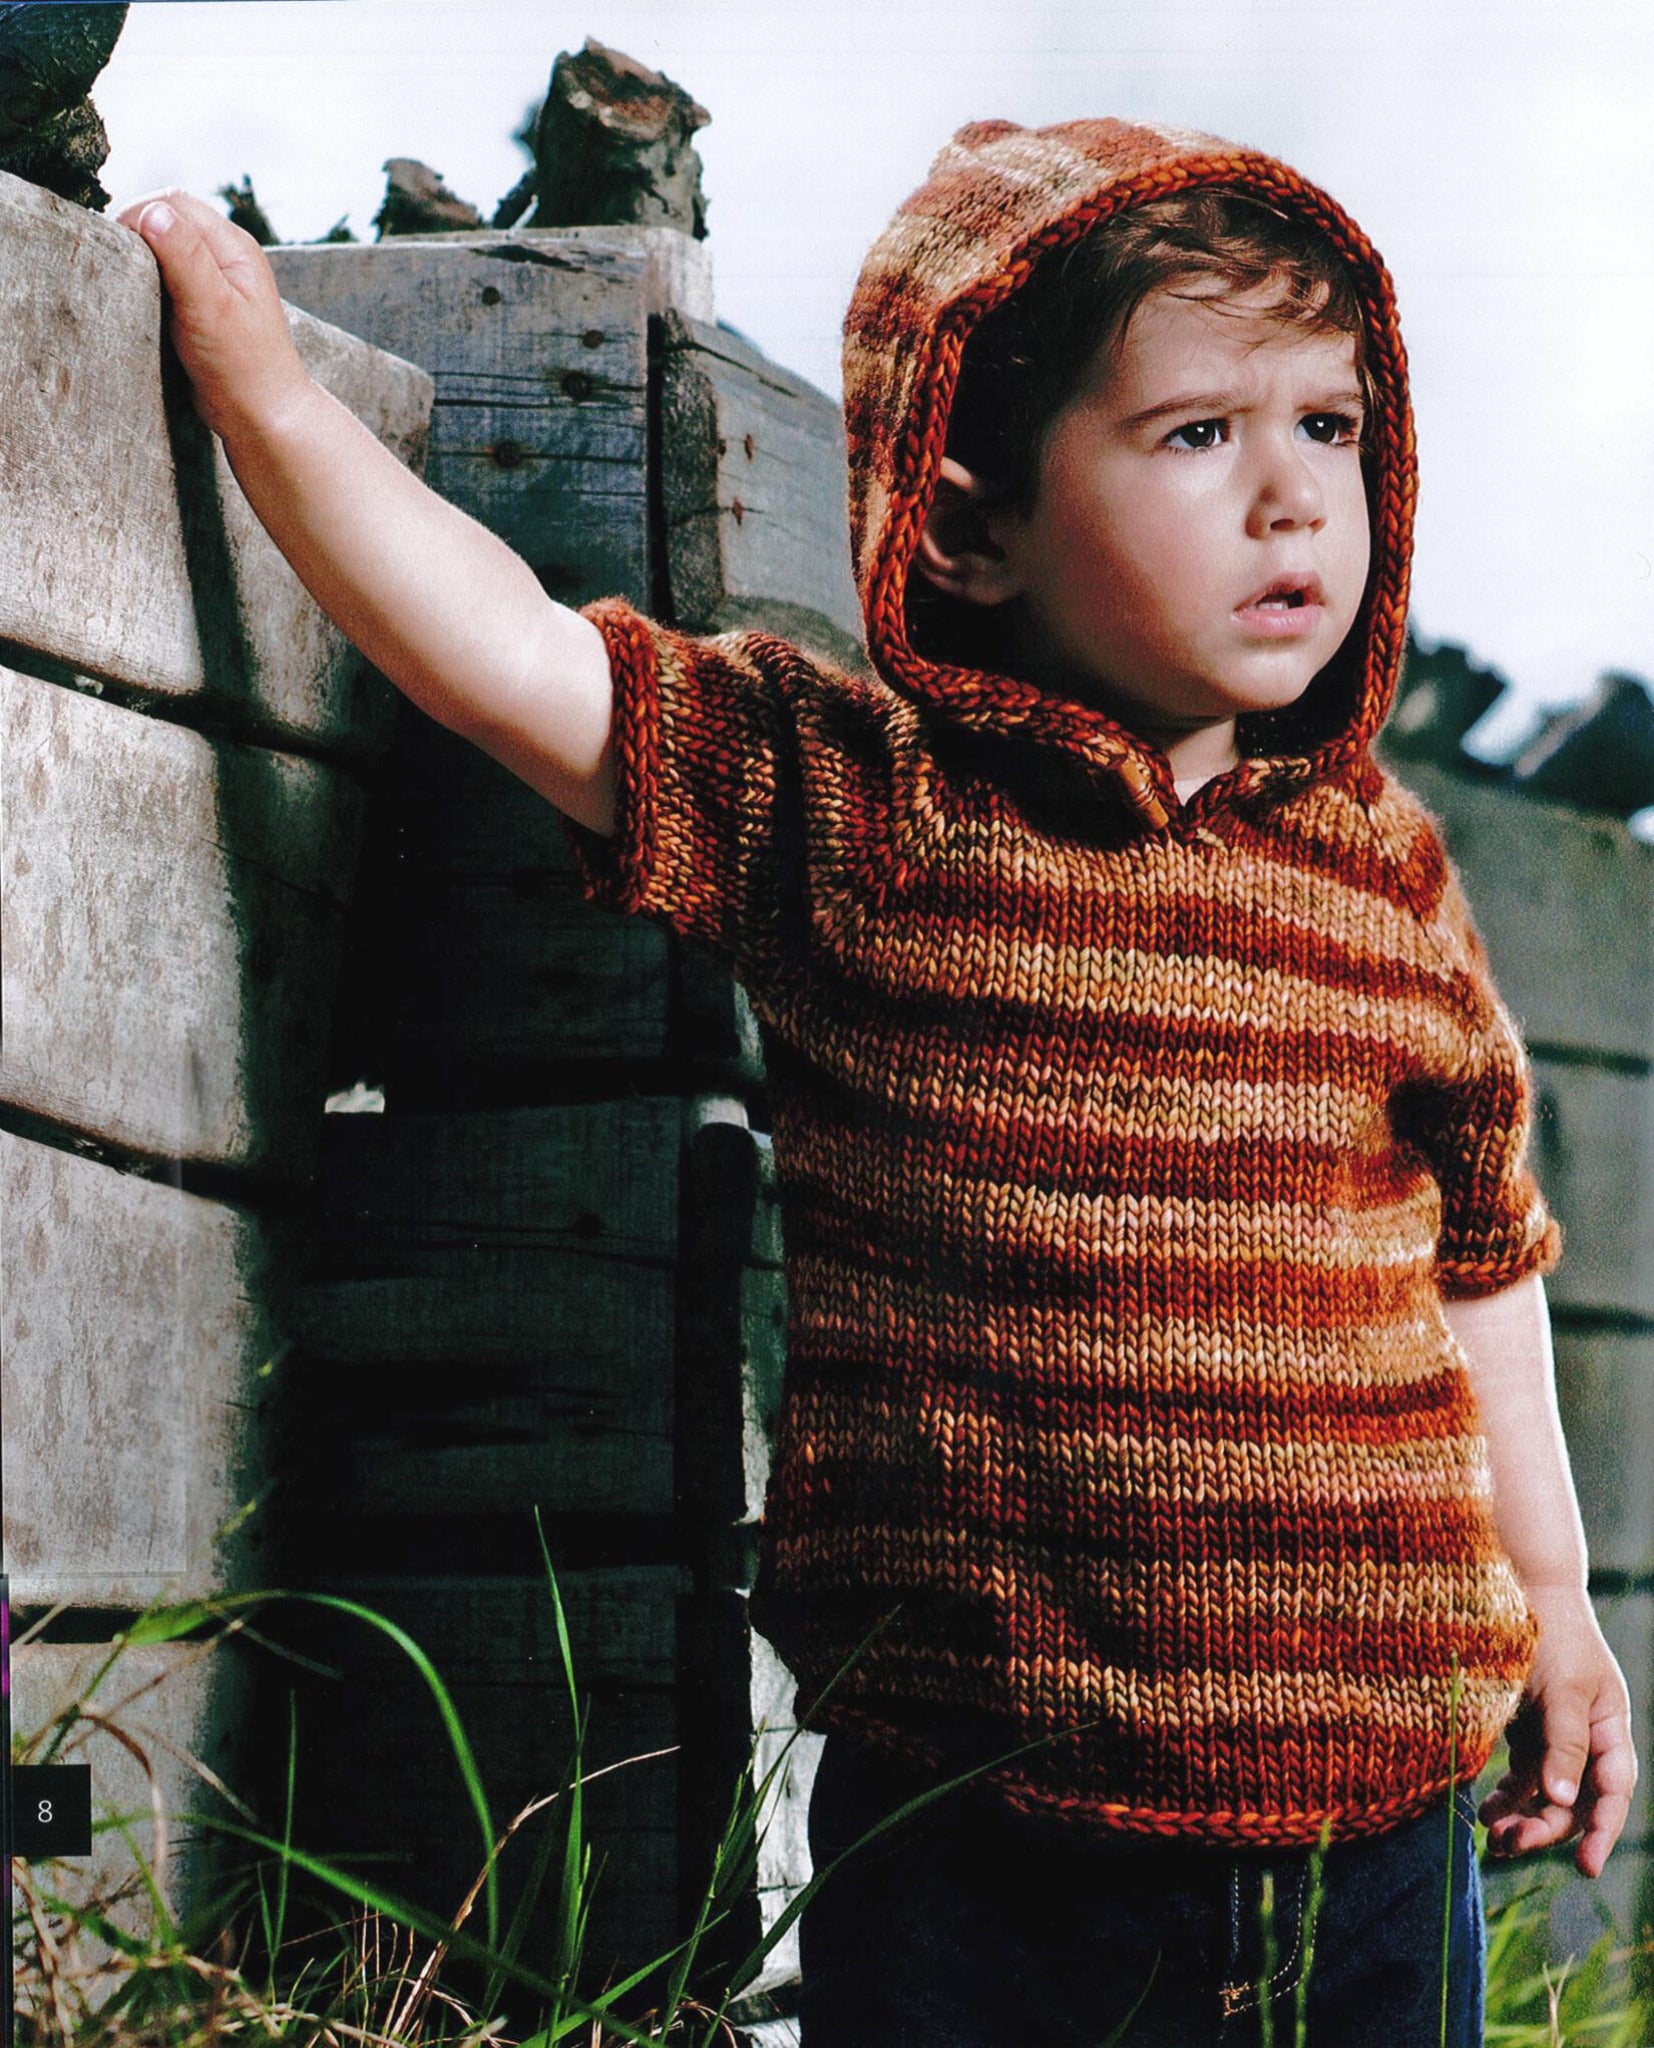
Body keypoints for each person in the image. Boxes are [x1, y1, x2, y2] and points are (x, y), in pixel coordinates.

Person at [115, 115, 1637, 2045]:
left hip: (1376, 1836)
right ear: (964, 518)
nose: (1290, 505)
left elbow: (1480, 1255)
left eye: (1329, 428)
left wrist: (1558, 1601)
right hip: (978, 1829)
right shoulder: (858, 808)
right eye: (1197, 435)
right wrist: (258, 379)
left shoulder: (1379, 875)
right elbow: (503, 656)